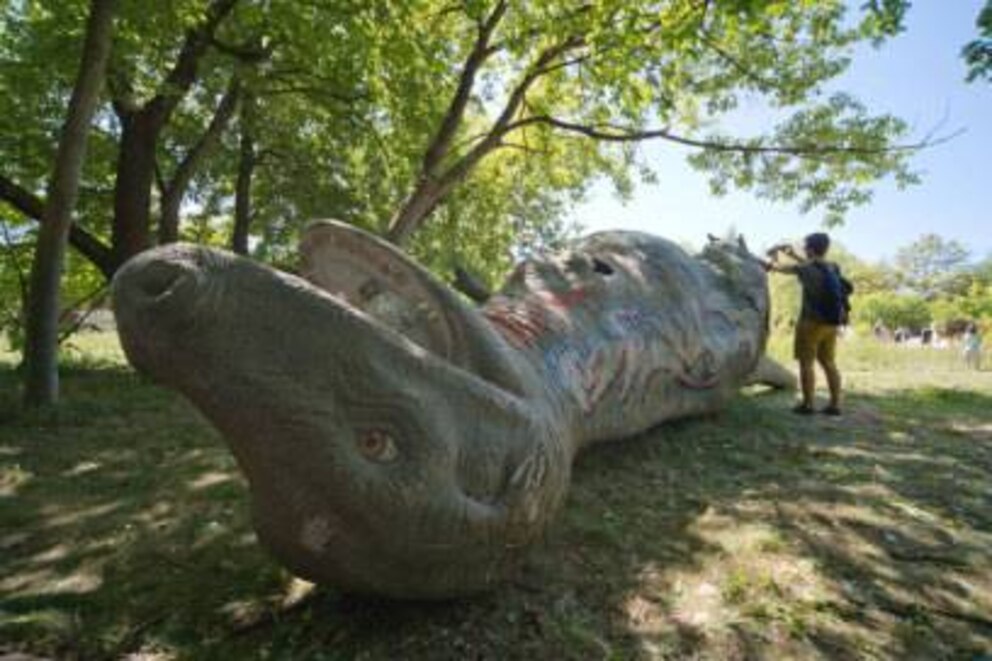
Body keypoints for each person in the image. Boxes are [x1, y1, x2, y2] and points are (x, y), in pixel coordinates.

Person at [763, 233, 850, 416]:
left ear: (809, 249)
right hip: (832, 323)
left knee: (806, 363)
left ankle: (808, 404)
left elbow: (774, 267)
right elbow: (811, 264)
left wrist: (773, 253)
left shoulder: (804, 269)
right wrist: (793, 254)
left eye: (805, 247)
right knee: (829, 362)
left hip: (810, 323)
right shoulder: (833, 267)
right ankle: (835, 405)